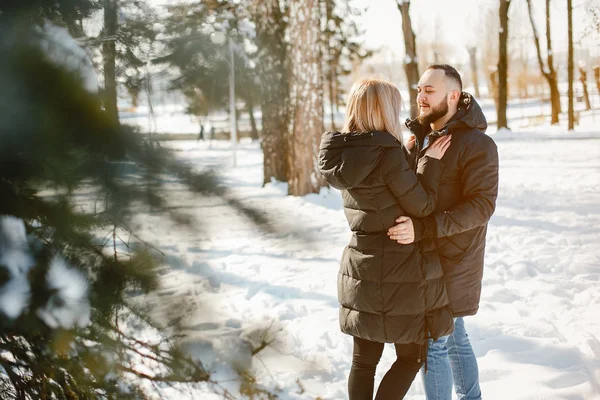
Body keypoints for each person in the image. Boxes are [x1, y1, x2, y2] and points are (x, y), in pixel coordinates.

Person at [318, 79, 454, 400]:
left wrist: (406, 154)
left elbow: (379, 190)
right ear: (383, 109)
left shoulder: (343, 152)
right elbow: (420, 204)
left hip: (360, 267)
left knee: (363, 362)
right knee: (410, 357)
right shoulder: (386, 153)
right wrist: (429, 162)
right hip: (398, 270)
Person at [387, 64, 499, 400]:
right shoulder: (418, 140)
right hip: (418, 255)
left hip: (453, 258)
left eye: (429, 90)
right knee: (453, 336)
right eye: (419, 89)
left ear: (453, 95)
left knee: (433, 343)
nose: (420, 97)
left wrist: (425, 229)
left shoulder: (478, 144)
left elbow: (482, 206)